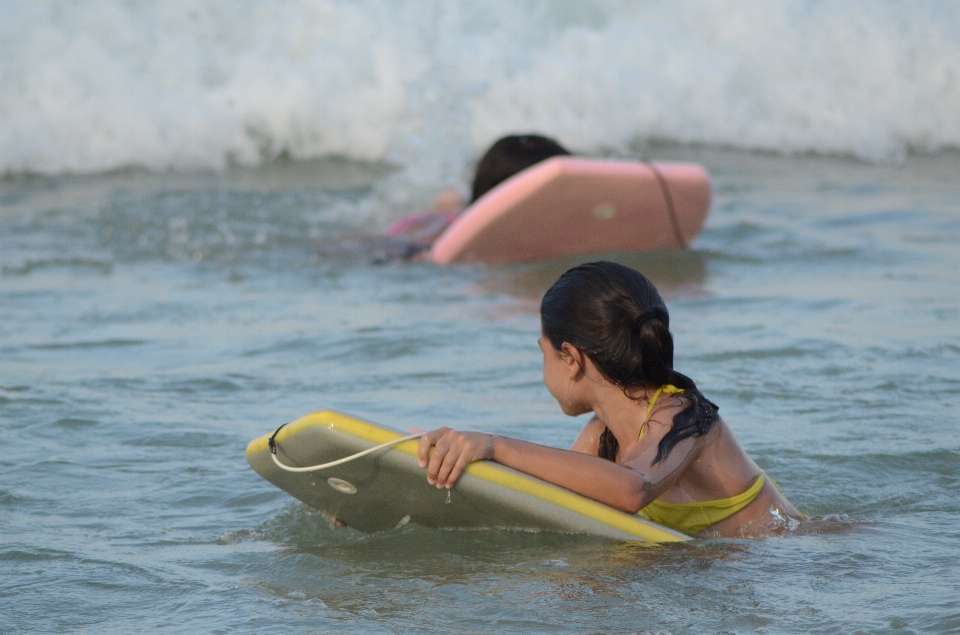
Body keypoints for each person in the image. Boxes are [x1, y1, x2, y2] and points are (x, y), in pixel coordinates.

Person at [416, 261, 805, 538]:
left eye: (543, 352)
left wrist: (493, 444)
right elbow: (540, 508)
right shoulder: (601, 435)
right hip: (726, 576)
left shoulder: (684, 417)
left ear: (571, 359)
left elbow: (632, 489)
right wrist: (424, 473)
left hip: (797, 567)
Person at [383, 134, 571, 258]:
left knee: (452, 203)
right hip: (431, 229)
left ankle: (450, 203)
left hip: (462, 211)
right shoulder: (441, 239)